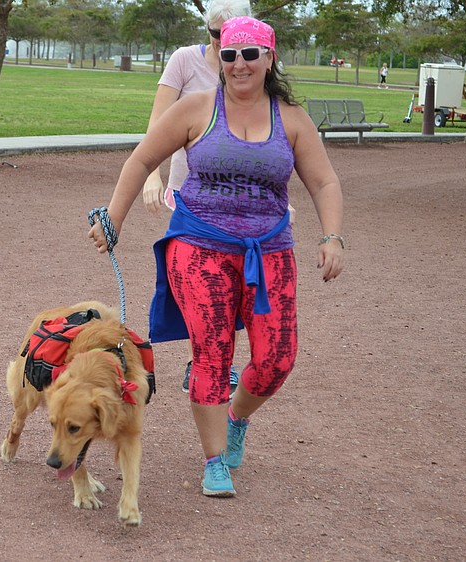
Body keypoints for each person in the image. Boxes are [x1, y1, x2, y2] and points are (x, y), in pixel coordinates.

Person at [89, 16, 344, 498]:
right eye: (229, 55)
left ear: (270, 58)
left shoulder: (290, 117)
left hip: (269, 250)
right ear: (220, 59)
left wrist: (333, 237)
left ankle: (236, 418)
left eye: (250, 54)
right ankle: (214, 461)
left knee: (277, 359)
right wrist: (113, 219)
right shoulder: (197, 108)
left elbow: (324, 181)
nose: (239, 64)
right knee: (212, 354)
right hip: (199, 247)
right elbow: (142, 158)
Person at [141, 0, 293, 395]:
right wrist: (151, 178)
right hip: (191, 192)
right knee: (208, 281)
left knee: (243, 281)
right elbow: (158, 123)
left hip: (253, 201)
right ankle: (210, 357)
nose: (227, 50)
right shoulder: (185, 61)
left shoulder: (253, 63)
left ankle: (216, 356)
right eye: (217, 38)